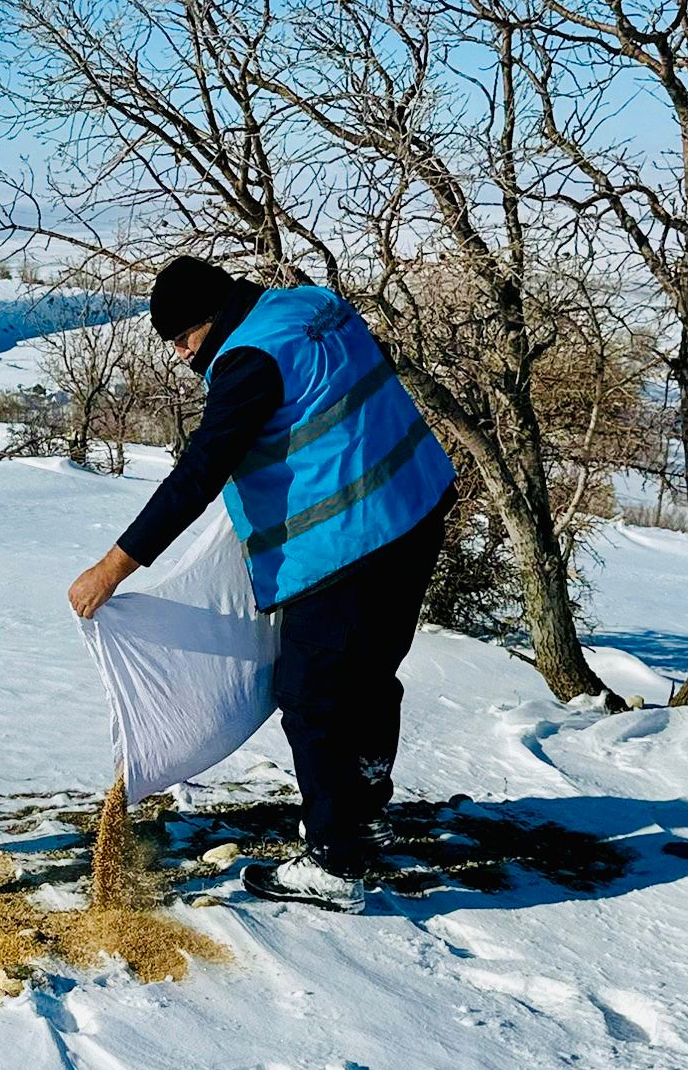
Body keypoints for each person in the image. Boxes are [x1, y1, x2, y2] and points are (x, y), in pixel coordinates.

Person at [68, 257, 455, 911]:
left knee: (310, 694)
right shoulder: (308, 305)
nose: (183, 355)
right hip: (415, 505)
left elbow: (198, 475)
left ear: (210, 321)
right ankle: (364, 809)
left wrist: (114, 567)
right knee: (369, 671)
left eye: (184, 341)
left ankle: (335, 859)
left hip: (348, 543)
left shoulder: (248, 362)